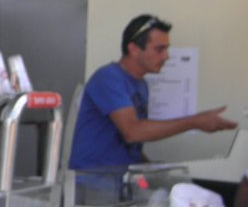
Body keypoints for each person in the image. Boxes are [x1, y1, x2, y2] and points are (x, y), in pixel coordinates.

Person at [69, 14, 236, 169]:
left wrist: (153, 169)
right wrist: (195, 122)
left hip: (120, 180)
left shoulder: (142, 85)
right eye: (159, 49)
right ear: (133, 49)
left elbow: (131, 145)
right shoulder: (108, 78)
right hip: (93, 182)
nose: (166, 56)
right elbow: (132, 132)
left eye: (166, 49)